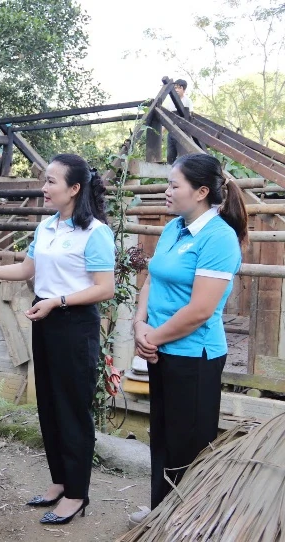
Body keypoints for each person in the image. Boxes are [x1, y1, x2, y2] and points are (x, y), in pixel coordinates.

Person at [0, 154, 115, 525]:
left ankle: (76, 494)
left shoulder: (96, 233)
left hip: (74, 324)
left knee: (72, 410)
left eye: (51, 181)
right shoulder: (47, 228)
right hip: (47, 319)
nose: (44, 187)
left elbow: (105, 288)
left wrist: (58, 301)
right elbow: (28, 269)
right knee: (51, 407)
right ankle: (60, 481)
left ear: (74, 189)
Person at [129, 153, 247, 525]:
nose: (166, 191)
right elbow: (151, 278)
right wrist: (138, 324)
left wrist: (152, 338)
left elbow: (201, 310)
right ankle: (160, 514)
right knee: (162, 436)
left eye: (173, 185)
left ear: (200, 192)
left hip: (194, 356)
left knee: (190, 446)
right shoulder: (174, 228)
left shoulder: (219, 238)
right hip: (161, 349)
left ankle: (189, 523)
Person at [165, 79, 194, 164]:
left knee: (183, 156)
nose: (176, 90)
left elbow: (191, 115)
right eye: (175, 88)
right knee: (170, 155)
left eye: (179, 88)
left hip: (183, 131)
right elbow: (166, 118)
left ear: (183, 89)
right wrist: (162, 131)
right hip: (171, 131)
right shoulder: (170, 102)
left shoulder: (187, 101)